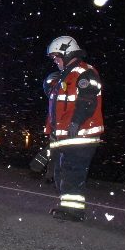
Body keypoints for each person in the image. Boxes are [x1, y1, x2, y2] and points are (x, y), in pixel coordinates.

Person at [44, 35, 104, 221]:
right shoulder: (66, 76)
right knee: (62, 171)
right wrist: (48, 84)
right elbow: (58, 104)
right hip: (68, 136)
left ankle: (74, 212)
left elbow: (87, 100)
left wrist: (76, 122)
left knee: (72, 171)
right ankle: (68, 207)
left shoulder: (84, 72)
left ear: (67, 53)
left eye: (57, 57)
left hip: (81, 135)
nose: (55, 61)